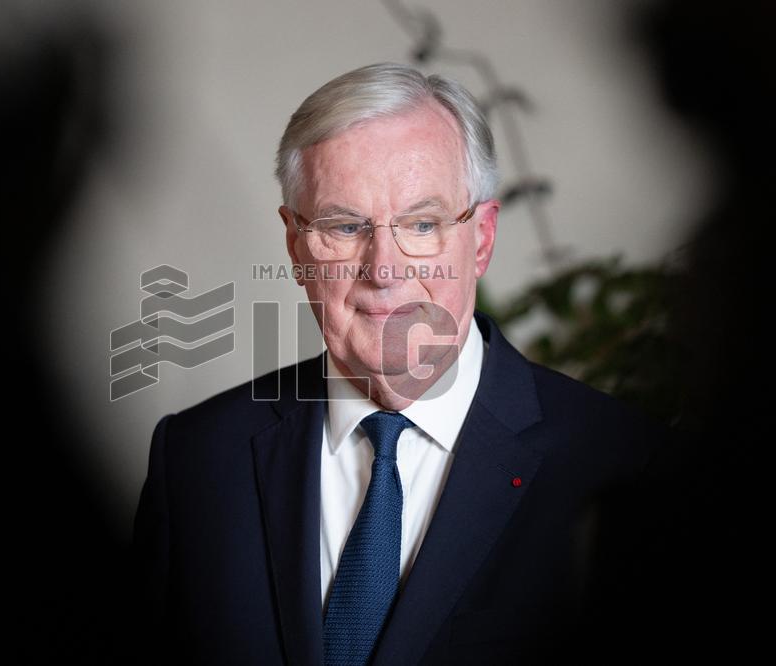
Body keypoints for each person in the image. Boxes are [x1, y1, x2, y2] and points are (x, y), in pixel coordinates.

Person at [132, 62, 670, 665]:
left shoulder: (623, 465)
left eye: (422, 224)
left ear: (483, 239)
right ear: (295, 244)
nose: (384, 269)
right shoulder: (196, 460)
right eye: (344, 225)